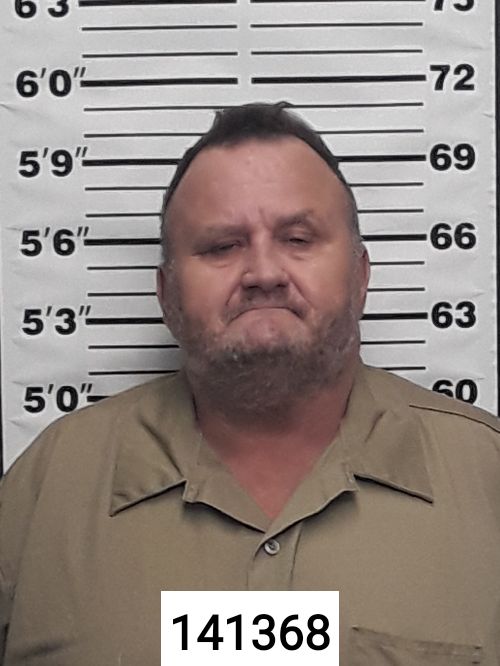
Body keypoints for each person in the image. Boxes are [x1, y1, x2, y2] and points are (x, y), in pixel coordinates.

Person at [0, 102, 499, 665]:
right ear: (165, 295)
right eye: (222, 246)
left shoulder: (486, 477)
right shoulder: (48, 489)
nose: (264, 273)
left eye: (298, 238)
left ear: (361, 276)